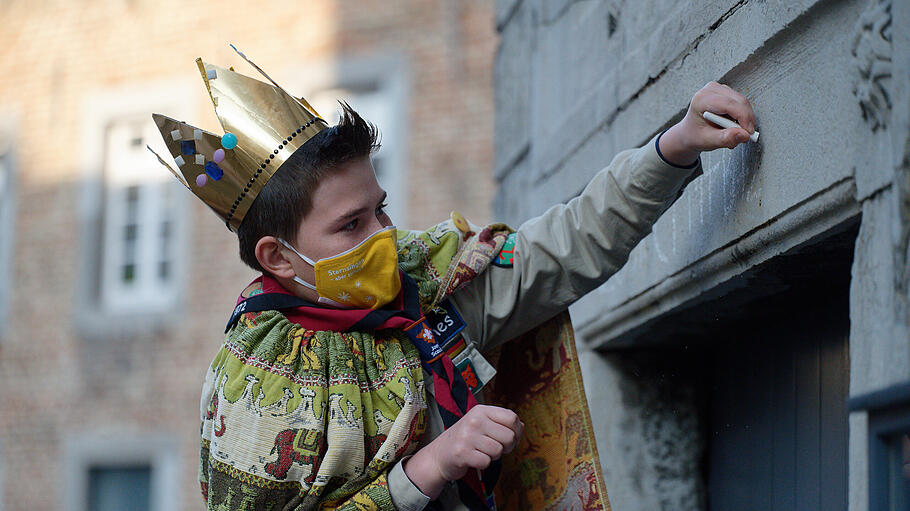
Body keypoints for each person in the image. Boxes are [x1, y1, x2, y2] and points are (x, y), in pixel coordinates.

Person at [151, 48, 756, 511]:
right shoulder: (249, 388)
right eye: (351, 225)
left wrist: (673, 147)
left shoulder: (432, 285)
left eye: (380, 209)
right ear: (278, 258)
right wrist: (428, 468)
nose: (383, 236)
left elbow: (568, 245)